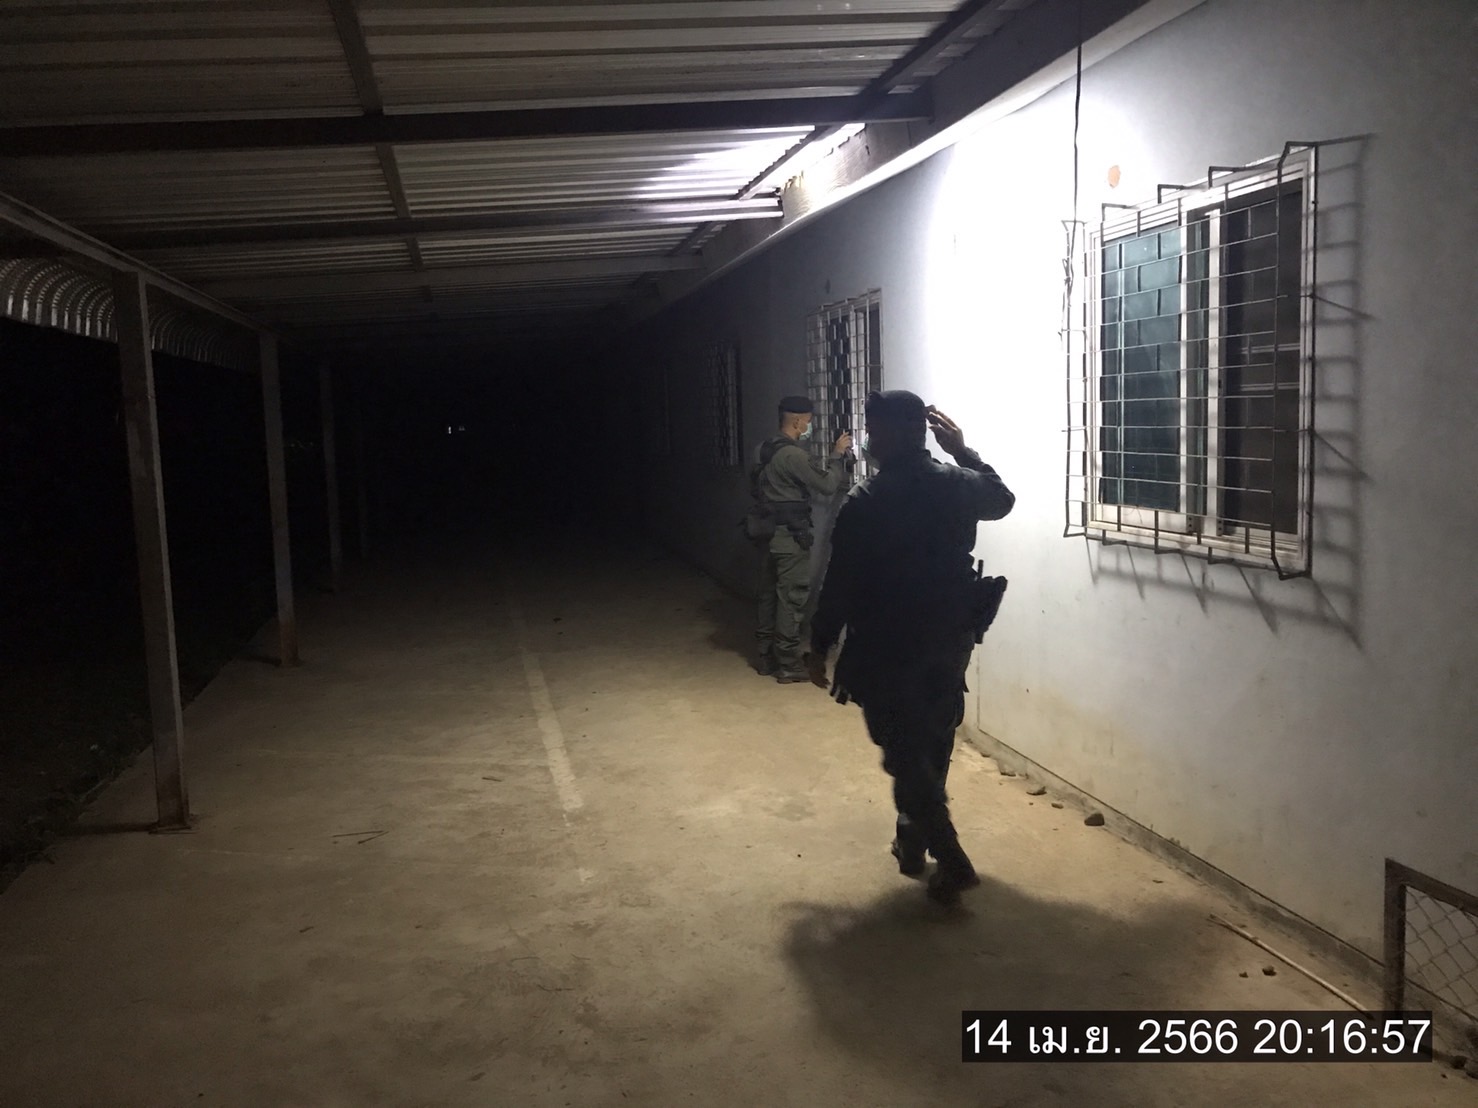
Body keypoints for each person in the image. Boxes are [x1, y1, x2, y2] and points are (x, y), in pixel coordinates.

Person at [805, 391, 1014, 905]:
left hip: (888, 642)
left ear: (896, 433)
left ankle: (950, 856)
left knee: (902, 748)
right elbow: (1002, 500)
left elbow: (841, 582)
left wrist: (820, 643)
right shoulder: (957, 483)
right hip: (947, 634)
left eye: (874, 430)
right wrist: (961, 450)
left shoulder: (867, 501)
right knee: (933, 737)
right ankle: (911, 839)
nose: (869, 439)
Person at [749, 396, 852, 683]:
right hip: (790, 537)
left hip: (766, 533)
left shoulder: (762, 449)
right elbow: (827, 485)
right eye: (808, 421)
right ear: (797, 421)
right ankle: (788, 663)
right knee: (791, 598)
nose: (810, 427)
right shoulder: (793, 455)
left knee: (768, 595)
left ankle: (765, 656)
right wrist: (836, 456)